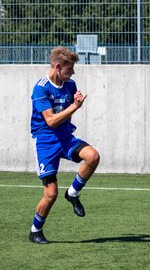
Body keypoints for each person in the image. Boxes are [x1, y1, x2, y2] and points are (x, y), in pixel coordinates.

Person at [29, 46, 100, 244]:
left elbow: (68, 109)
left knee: (93, 156)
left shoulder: (70, 84)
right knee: (50, 194)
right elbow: (50, 121)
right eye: (70, 69)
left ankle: (73, 193)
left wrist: (75, 102)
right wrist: (74, 107)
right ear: (58, 67)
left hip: (65, 137)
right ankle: (35, 230)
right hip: (45, 142)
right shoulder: (41, 88)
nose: (73, 73)